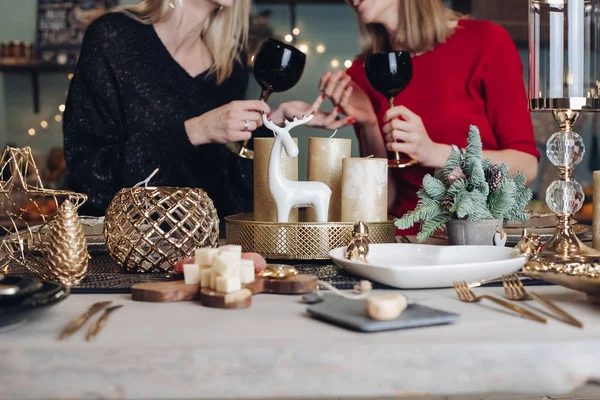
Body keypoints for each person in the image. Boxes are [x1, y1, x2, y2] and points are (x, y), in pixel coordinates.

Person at [63, 0, 335, 220]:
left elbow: (231, 195)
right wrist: (195, 130)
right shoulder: (112, 36)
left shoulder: (229, 59)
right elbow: (91, 175)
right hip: (117, 249)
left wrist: (267, 126)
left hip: (204, 247)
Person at [318, 0, 540, 234]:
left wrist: (433, 152)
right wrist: (369, 123)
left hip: (478, 239)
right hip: (402, 244)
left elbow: (526, 168)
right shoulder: (364, 72)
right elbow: (386, 200)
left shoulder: (486, 41)